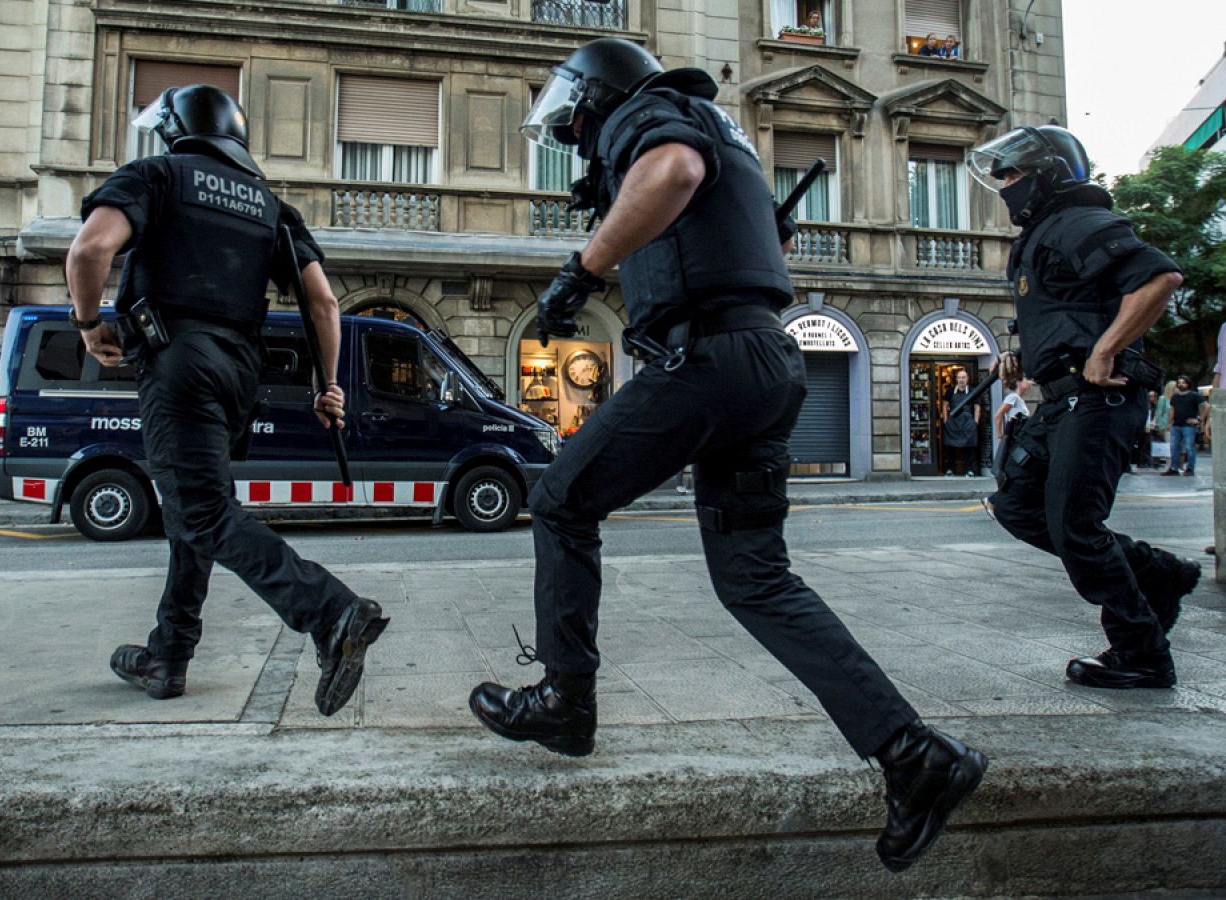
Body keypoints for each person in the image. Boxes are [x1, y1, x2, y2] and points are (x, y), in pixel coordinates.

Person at [468, 38, 986, 873]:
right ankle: (913, 754)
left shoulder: (649, 112)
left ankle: (566, 701)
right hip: (766, 361)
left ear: (598, 98)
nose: (577, 138)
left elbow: (671, 172)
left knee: (561, 500)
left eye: (576, 121)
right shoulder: (719, 128)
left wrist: (582, 271)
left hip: (706, 359)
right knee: (755, 578)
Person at [67, 84, 387, 713]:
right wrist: (327, 386)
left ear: (176, 130)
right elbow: (324, 302)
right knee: (195, 508)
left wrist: (88, 325)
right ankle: (168, 655)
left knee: (202, 511)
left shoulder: (156, 176)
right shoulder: (270, 205)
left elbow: (90, 249)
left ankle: (331, 612)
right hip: (239, 372)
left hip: (177, 362)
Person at [969, 125, 1202, 689]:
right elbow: (1069, 314)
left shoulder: (1078, 220)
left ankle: (1142, 653)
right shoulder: (1041, 236)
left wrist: (1105, 350)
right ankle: (1158, 573)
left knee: (1075, 525)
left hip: (1099, 399)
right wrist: (1025, 359)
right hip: (1061, 400)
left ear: (1049, 175)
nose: (1006, 185)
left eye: (1015, 174)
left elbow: (1159, 277)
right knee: (1017, 506)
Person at [941, 367, 982, 475]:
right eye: (959, 377)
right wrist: (945, 420)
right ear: (956, 379)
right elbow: (945, 406)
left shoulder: (973, 391)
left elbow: (977, 407)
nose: (961, 380)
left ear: (967, 378)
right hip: (953, 423)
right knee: (950, 448)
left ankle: (969, 470)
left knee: (969, 447)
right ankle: (950, 470)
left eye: (963, 377)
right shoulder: (950, 391)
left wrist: (975, 422)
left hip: (968, 423)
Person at [1165, 374, 1202, 475]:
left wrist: (1199, 420)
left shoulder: (1194, 395)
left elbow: (1205, 406)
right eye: (1179, 383)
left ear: (1188, 384)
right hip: (1176, 424)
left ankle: (1190, 468)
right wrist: (1169, 422)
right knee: (1174, 447)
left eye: (1184, 383)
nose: (1181, 384)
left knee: (1189, 447)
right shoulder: (1174, 397)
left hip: (1189, 426)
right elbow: (1172, 410)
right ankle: (1174, 468)